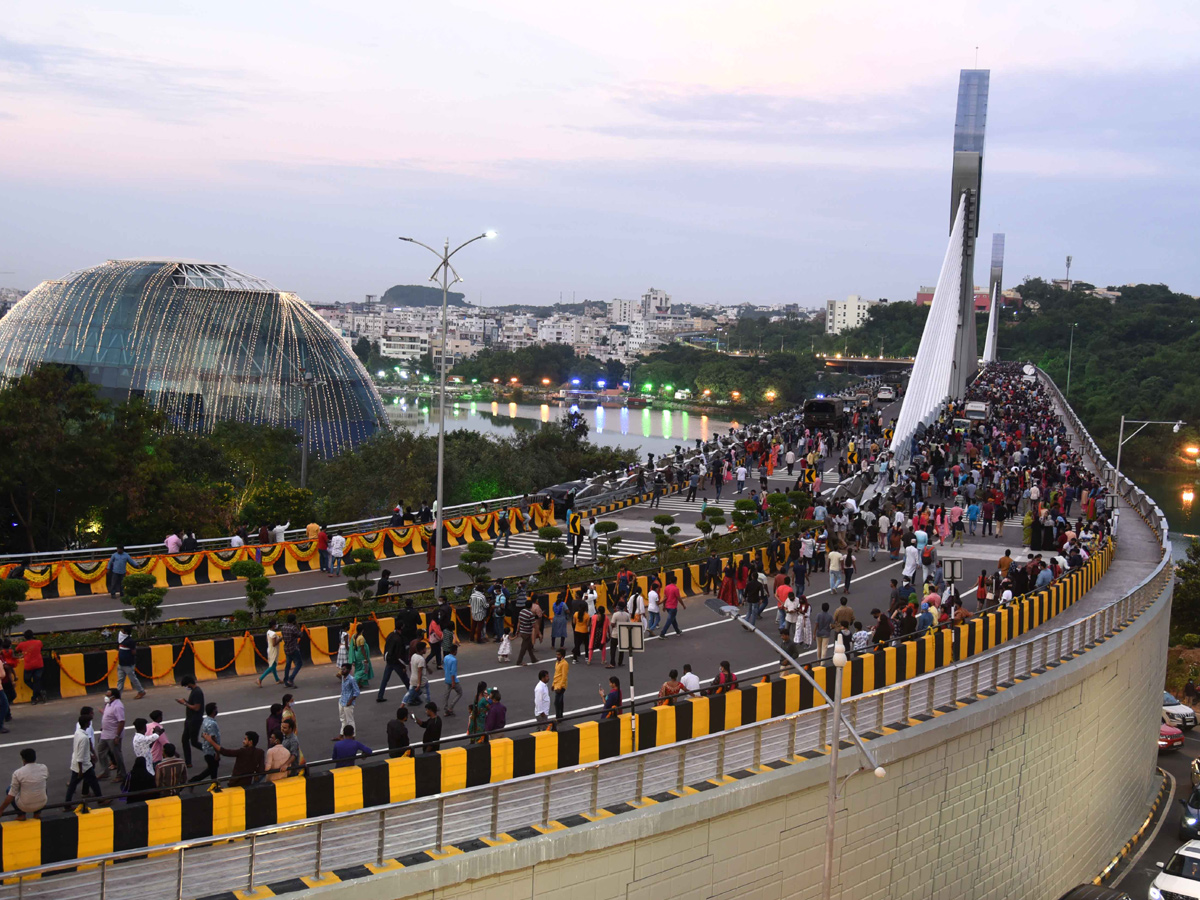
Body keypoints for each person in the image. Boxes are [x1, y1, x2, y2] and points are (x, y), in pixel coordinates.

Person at [0, 749, 47, 820]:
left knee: (9, 789)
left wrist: (1, 809)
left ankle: (21, 815)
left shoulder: (18, 773)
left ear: (23, 759)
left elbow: (11, 795)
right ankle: (37, 814)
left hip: (24, 806)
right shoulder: (44, 768)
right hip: (42, 804)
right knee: (43, 787)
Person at [65, 715, 102, 805]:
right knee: (94, 782)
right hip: (84, 766)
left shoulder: (78, 732)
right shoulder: (84, 738)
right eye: (89, 722)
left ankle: (67, 804)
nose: (90, 723)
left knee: (73, 785)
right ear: (86, 723)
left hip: (77, 764)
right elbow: (81, 755)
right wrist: (81, 770)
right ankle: (101, 800)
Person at [98, 688, 127, 783]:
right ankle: (105, 772)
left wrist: (117, 736)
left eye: (108, 695)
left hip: (113, 735)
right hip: (105, 734)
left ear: (113, 697)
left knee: (117, 755)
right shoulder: (109, 704)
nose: (106, 697)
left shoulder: (118, 706)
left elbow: (121, 721)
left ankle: (121, 775)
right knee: (101, 752)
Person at [189, 702, 222, 786]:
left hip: (207, 749)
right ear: (213, 711)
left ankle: (194, 781)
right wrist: (217, 753)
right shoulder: (213, 724)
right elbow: (213, 739)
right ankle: (214, 786)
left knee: (212, 769)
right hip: (211, 751)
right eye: (216, 709)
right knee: (213, 771)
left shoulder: (206, 720)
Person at [377, 623, 411, 701]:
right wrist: (404, 665)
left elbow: (386, 648)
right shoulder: (399, 639)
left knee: (385, 679)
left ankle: (380, 696)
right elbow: (399, 654)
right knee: (405, 679)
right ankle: (414, 696)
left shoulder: (390, 635)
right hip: (396, 662)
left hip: (389, 661)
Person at [176, 676, 204, 768]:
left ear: (189, 684)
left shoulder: (197, 692)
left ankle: (211, 751)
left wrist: (184, 703)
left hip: (194, 720)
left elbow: (196, 707)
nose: (186, 687)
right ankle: (188, 762)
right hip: (189, 719)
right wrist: (186, 702)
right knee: (184, 740)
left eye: (186, 685)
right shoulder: (194, 691)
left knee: (194, 742)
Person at [14, 630, 45, 704]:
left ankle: (36, 696)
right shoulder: (38, 642)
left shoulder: (22, 644)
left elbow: (16, 650)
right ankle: (37, 695)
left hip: (29, 666)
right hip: (39, 664)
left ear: (25, 637)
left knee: (27, 680)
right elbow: (41, 648)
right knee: (36, 681)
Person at [115, 628, 146, 699]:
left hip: (128, 664)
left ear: (125, 632)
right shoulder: (121, 640)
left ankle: (141, 691)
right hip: (121, 664)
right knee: (120, 680)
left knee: (133, 679)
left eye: (122, 631)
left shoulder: (130, 641)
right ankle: (118, 695)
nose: (120, 632)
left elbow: (133, 652)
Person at [655, 574, 685, 639]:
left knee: (673, 619)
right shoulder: (676, 589)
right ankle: (662, 633)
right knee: (669, 620)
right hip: (673, 607)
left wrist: (664, 606)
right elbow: (678, 598)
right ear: (676, 581)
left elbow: (665, 597)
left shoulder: (667, 587)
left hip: (668, 606)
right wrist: (683, 605)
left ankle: (677, 631)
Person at [281, 614, 303, 687]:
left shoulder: (283, 627)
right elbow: (300, 635)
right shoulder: (293, 628)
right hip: (293, 648)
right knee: (299, 664)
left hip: (286, 648)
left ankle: (286, 680)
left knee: (288, 665)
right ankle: (291, 679)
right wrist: (298, 627)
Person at [258, 620, 282, 687]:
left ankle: (277, 679)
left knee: (273, 665)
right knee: (272, 666)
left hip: (270, 649)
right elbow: (274, 644)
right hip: (273, 650)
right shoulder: (273, 634)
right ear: (273, 625)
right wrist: (280, 639)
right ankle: (260, 679)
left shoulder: (268, 632)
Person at [337, 663, 360, 732]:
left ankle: (352, 735)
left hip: (348, 702)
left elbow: (357, 692)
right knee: (342, 719)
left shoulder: (351, 679)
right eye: (342, 669)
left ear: (349, 670)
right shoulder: (343, 677)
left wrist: (350, 701)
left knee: (350, 720)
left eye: (344, 669)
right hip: (342, 701)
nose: (342, 671)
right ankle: (342, 734)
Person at [442, 642, 462, 716]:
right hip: (453, 680)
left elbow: (444, 667)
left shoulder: (446, 657)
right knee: (460, 693)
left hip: (447, 679)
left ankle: (445, 709)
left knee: (446, 695)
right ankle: (451, 707)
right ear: (455, 651)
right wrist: (453, 682)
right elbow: (453, 672)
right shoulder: (454, 660)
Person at [552, 648, 568, 721]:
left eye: (558, 655)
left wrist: (560, 687)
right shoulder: (557, 663)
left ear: (562, 656)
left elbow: (564, 676)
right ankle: (560, 716)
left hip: (560, 686)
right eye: (556, 654)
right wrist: (553, 684)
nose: (557, 656)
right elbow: (556, 674)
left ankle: (558, 717)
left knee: (557, 702)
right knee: (560, 701)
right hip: (556, 684)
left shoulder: (564, 664)